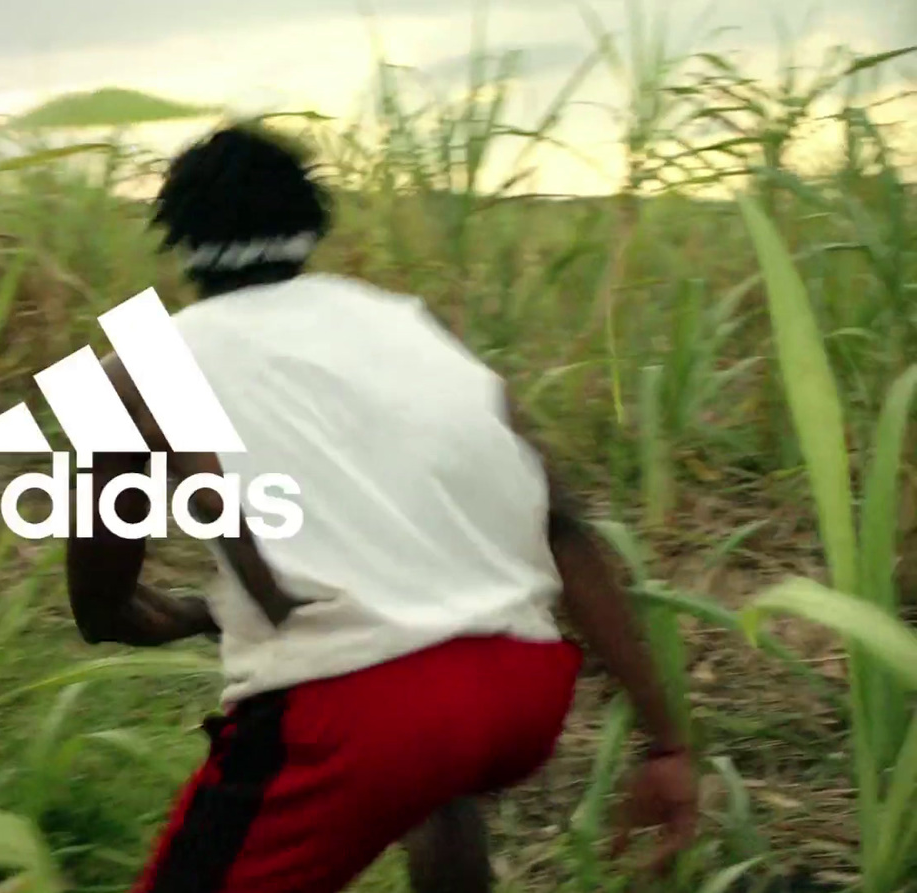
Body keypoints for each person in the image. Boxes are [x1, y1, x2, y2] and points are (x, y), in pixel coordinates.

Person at [62, 123, 699, 893]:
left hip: (355, 716)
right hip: (521, 687)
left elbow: (101, 609)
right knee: (433, 780)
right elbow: (563, 526)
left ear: (176, 236)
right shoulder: (410, 326)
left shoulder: (135, 367)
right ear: (311, 225)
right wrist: (666, 744)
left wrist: (200, 612)